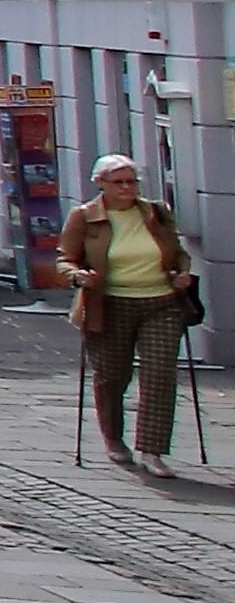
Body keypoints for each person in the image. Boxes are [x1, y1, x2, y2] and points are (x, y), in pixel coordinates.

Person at [64, 153, 196, 475]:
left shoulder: (156, 213)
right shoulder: (84, 217)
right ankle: (113, 439)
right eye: (119, 182)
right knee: (111, 376)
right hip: (109, 305)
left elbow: (178, 254)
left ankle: (152, 450)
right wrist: (78, 276)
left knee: (160, 375)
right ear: (101, 184)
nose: (127, 188)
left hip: (161, 302)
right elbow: (65, 258)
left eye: (132, 181)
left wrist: (182, 273)